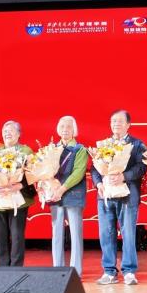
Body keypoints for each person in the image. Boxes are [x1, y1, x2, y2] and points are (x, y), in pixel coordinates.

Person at [92, 110, 147, 285]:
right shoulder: (103, 145)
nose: (116, 124)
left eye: (120, 121)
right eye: (113, 121)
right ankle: (109, 271)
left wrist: (124, 176)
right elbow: (94, 168)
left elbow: (142, 167)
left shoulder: (137, 144)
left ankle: (129, 271)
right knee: (106, 233)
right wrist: (98, 184)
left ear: (128, 125)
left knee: (128, 233)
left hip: (128, 195)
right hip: (105, 195)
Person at [0, 120, 35, 268]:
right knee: (1, 236)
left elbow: (33, 173)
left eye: (11, 130)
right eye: (5, 131)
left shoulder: (26, 151)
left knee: (17, 235)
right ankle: (3, 268)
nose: (7, 133)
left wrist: (20, 185)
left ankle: (16, 268)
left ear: (19, 134)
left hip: (18, 199)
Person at [49, 115, 89, 278]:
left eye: (69, 127)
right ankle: (57, 268)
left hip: (73, 193)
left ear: (74, 130)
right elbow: (46, 171)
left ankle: (76, 271)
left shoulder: (80, 149)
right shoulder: (51, 149)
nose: (65, 129)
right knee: (56, 232)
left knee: (75, 233)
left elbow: (78, 173)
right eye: (62, 126)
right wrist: (52, 185)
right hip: (55, 194)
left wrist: (61, 189)